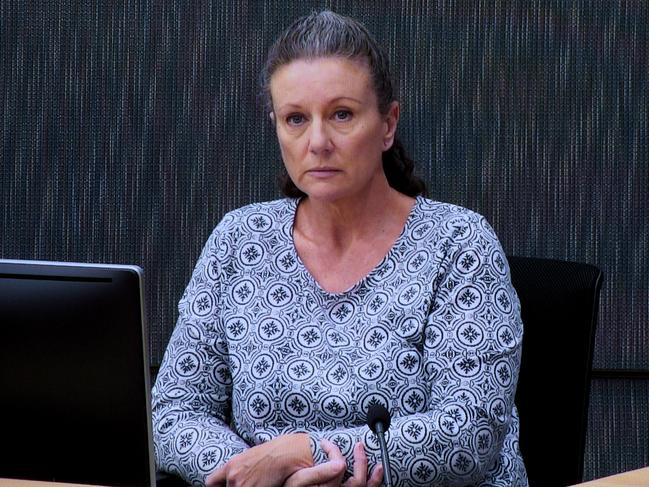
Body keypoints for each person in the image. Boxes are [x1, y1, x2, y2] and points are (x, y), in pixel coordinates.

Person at [152, 10, 528, 487]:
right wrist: (254, 474)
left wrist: (307, 454)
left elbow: (468, 438)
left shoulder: (459, 243)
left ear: (388, 124)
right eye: (295, 119)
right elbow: (175, 411)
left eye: (342, 114)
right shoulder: (238, 239)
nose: (318, 142)